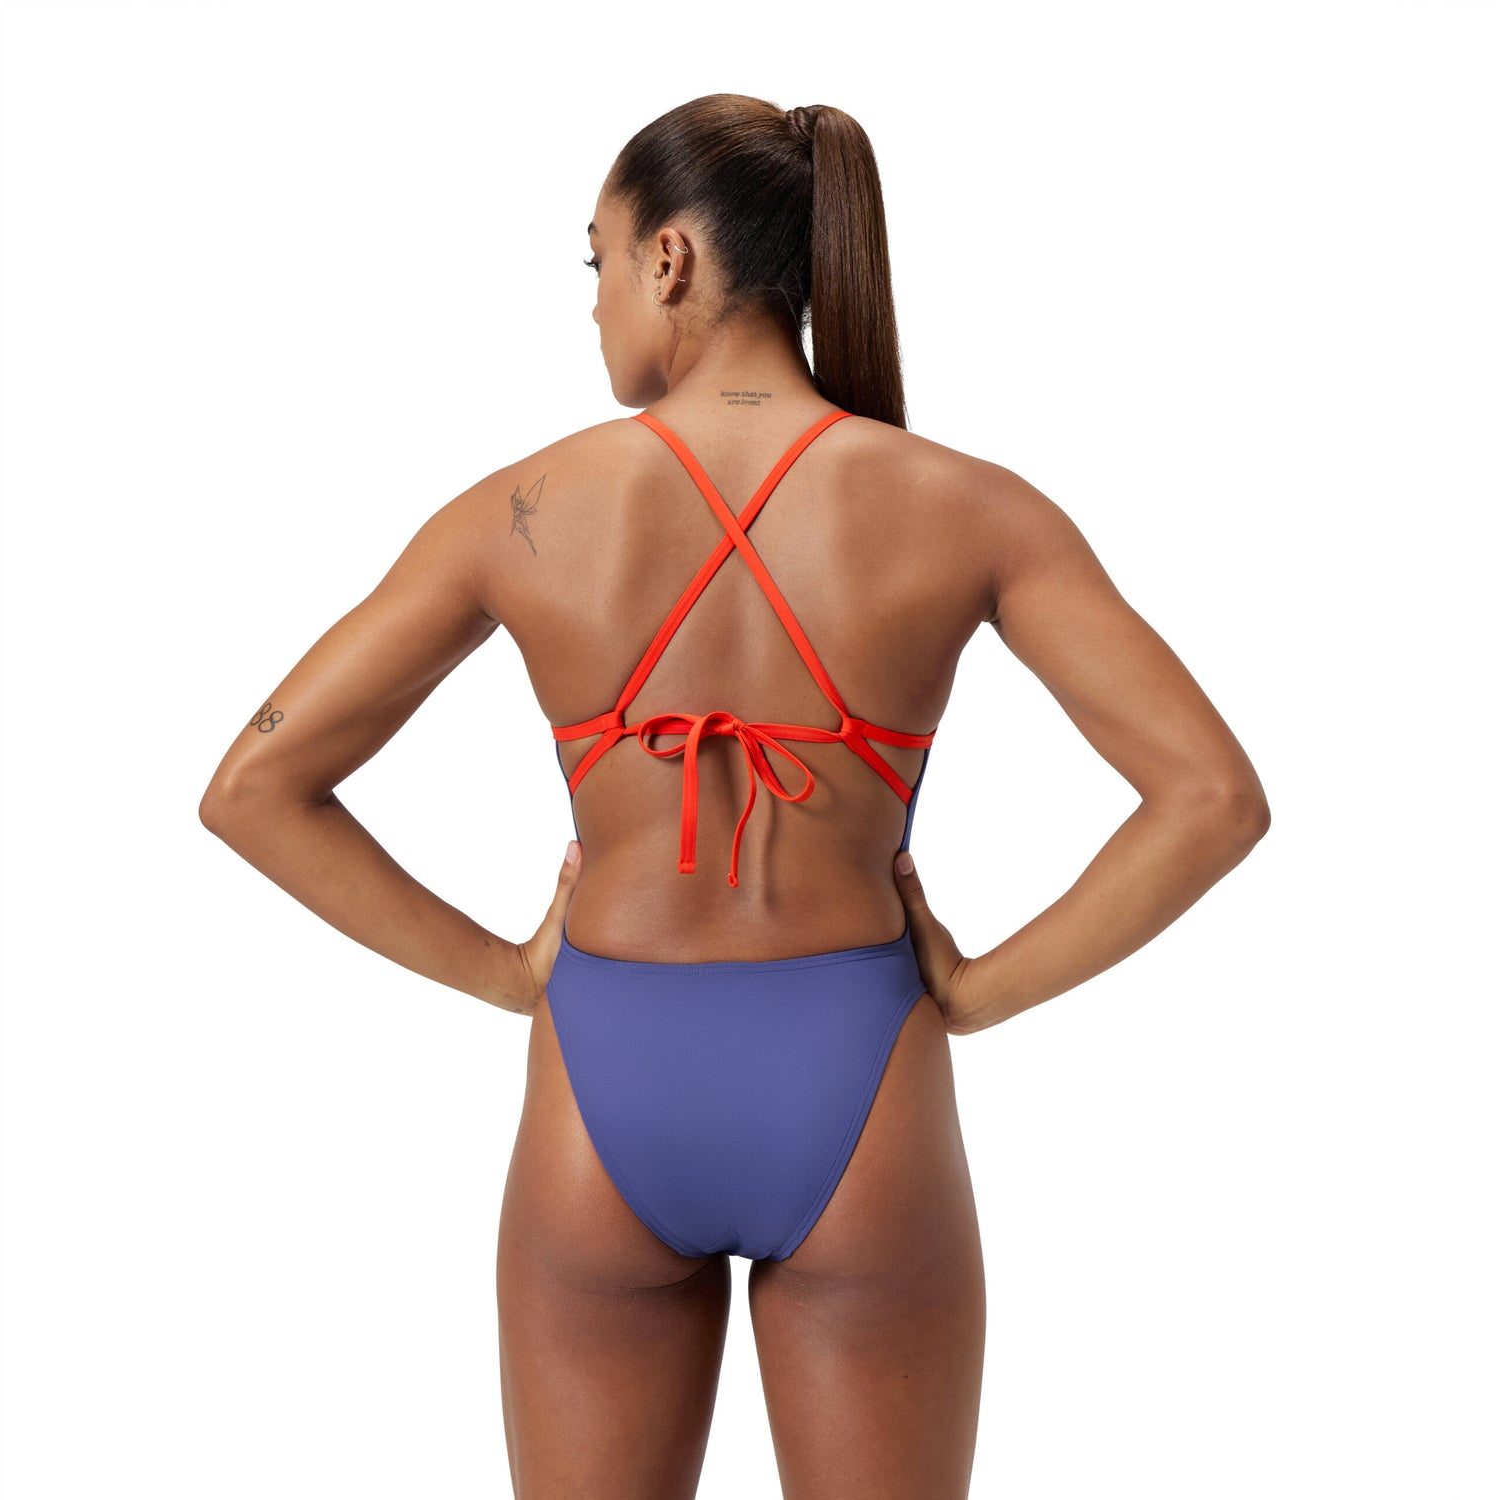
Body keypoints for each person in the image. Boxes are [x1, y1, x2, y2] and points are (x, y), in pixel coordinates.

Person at [200, 93, 1270, 1500]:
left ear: (671, 259)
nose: (591, 303)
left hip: (602, 1081)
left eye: (595, 260)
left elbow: (256, 785)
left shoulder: (520, 511)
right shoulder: (970, 507)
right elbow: (1211, 796)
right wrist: (977, 990)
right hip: (863, 1082)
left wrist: (508, 972)